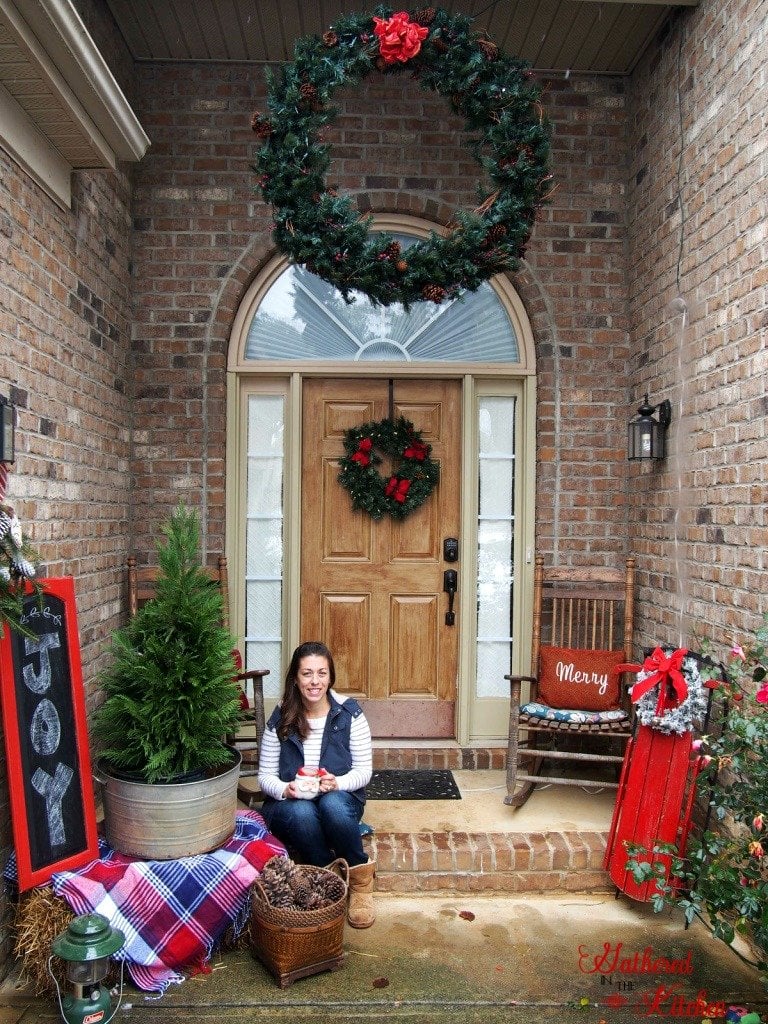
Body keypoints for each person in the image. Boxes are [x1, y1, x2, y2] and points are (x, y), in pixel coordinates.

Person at [257, 641, 376, 928]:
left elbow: (364, 771)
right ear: (295, 679)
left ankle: (360, 883)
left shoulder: (349, 713)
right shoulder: (282, 715)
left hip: (338, 797)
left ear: (330, 676)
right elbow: (265, 776)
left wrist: (338, 783)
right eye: (307, 674)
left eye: (322, 673)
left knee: (333, 806)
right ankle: (328, 873)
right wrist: (285, 789)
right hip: (292, 804)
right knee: (302, 813)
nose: (315, 682)